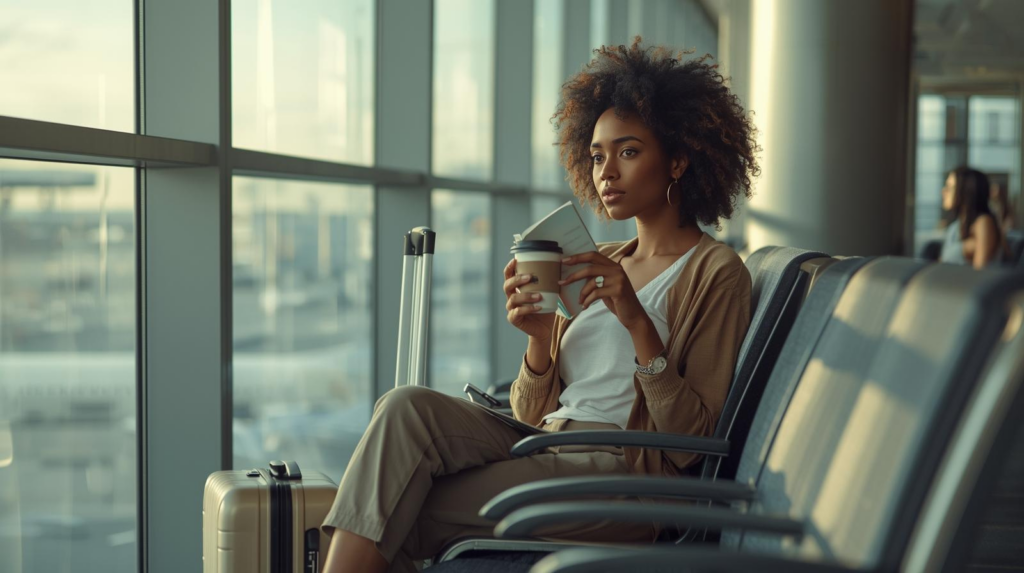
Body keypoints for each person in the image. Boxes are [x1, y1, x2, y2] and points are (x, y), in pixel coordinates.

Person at [320, 38, 757, 573]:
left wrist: (638, 322)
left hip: (624, 476)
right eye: (596, 156)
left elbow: (693, 444)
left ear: (679, 160)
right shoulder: (600, 258)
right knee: (403, 406)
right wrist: (537, 338)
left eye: (628, 151)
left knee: (395, 504)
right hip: (544, 444)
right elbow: (531, 412)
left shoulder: (715, 272)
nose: (606, 172)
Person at [939, 166, 1005, 269]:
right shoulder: (957, 224)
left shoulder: (983, 222)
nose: (943, 191)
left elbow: (979, 272)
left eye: (950, 187)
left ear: (966, 191)